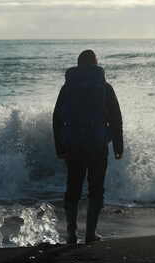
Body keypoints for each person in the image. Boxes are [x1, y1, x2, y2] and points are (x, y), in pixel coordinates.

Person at [52, 49, 124, 244]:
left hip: (73, 146)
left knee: (73, 188)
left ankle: (71, 234)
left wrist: (59, 146)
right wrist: (118, 145)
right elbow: (116, 118)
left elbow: (57, 118)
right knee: (96, 189)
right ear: (95, 64)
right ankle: (90, 234)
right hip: (97, 144)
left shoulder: (67, 88)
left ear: (78, 65)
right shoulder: (104, 87)